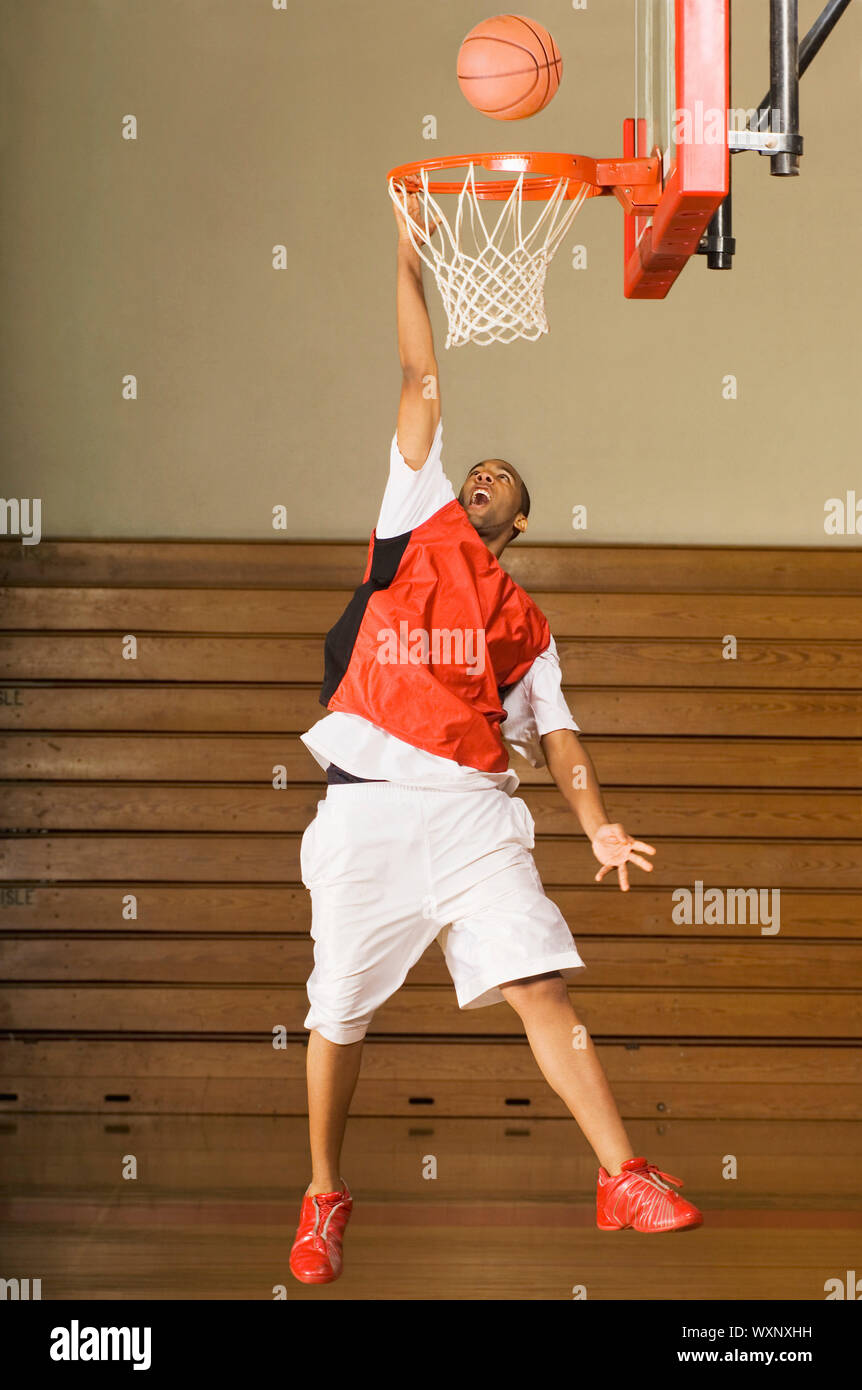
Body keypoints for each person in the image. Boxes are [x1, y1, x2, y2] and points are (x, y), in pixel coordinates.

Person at [289, 193, 702, 1284]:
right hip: (368, 799)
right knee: (337, 1013)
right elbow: (420, 376)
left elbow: (558, 736)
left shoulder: (523, 623)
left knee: (541, 985)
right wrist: (406, 255)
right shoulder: (411, 511)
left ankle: (622, 1175)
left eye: (502, 486)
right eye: (479, 469)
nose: (483, 476)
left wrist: (599, 823)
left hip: (476, 811)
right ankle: (325, 1191)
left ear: (516, 527)